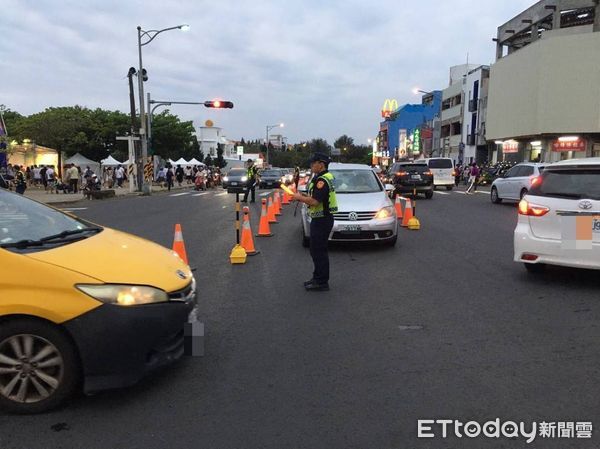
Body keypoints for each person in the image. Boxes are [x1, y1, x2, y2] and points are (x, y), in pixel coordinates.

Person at [291, 153, 338, 291]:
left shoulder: (322, 181)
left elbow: (315, 201)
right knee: (315, 250)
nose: (311, 166)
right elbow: (314, 197)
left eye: (313, 163)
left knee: (319, 251)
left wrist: (299, 197)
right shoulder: (320, 178)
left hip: (322, 219)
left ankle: (322, 281)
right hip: (320, 218)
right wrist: (304, 196)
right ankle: (317, 277)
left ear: (321, 164)